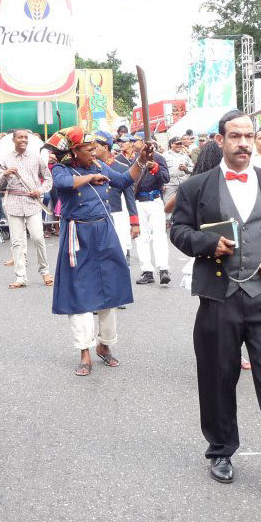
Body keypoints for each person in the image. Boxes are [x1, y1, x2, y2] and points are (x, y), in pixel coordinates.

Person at [170, 110, 261, 498]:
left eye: (248, 135)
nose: (243, 142)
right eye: (234, 136)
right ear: (220, 141)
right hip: (219, 298)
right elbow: (179, 230)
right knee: (219, 377)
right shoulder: (197, 187)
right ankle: (220, 449)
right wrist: (206, 244)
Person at [48, 127, 150, 376]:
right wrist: (89, 179)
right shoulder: (62, 169)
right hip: (77, 235)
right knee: (80, 293)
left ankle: (105, 345)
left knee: (109, 289)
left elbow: (125, 180)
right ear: (74, 151)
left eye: (95, 148)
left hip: (104, 231)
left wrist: (141, 161)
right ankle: (84, 350)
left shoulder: (100, 167)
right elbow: (63, 184)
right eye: (87, 149)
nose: (94, 153)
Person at [0, 129, 53, 289]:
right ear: (14, 140)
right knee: (17, 242)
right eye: (20, 137)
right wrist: (5, 173)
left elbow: (48, 179)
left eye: (26, 137)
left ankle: (45, 271)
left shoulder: (36, 157)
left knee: (38, 237)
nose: (23, 140)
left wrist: (40, 190)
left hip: (33, 202)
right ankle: (20, 277)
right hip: (13, 202)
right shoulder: (5, 159)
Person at [133, 131, 172, 285]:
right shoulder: (134, 160)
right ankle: (147, 270)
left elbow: (165, 178)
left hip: (154, 199)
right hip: (138, 201)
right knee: (141, 237)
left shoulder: (159, 158)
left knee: (159, 235)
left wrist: (155, 167)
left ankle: (163, 268)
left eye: (136, 141)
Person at [94, 130, 140, 261]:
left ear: (105, 147)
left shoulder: (122, 167)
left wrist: (134, 222)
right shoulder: (90, 167)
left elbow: (130, 197)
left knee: (120, 255)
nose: (92, 149)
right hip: (96, 215)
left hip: (117, 214)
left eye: (95, 146)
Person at [163, 135, 193, 207]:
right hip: (170, 184)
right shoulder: (164, 156)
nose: (179, 145)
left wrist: (186, 169)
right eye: (177, 144)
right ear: (171, 144)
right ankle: (169, 218)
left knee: (184, 205)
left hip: (183, 183)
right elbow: (161, 171)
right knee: (168, 205)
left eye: (180, 144)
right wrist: (162, 184)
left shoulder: (185, 156)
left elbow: (193, 168)